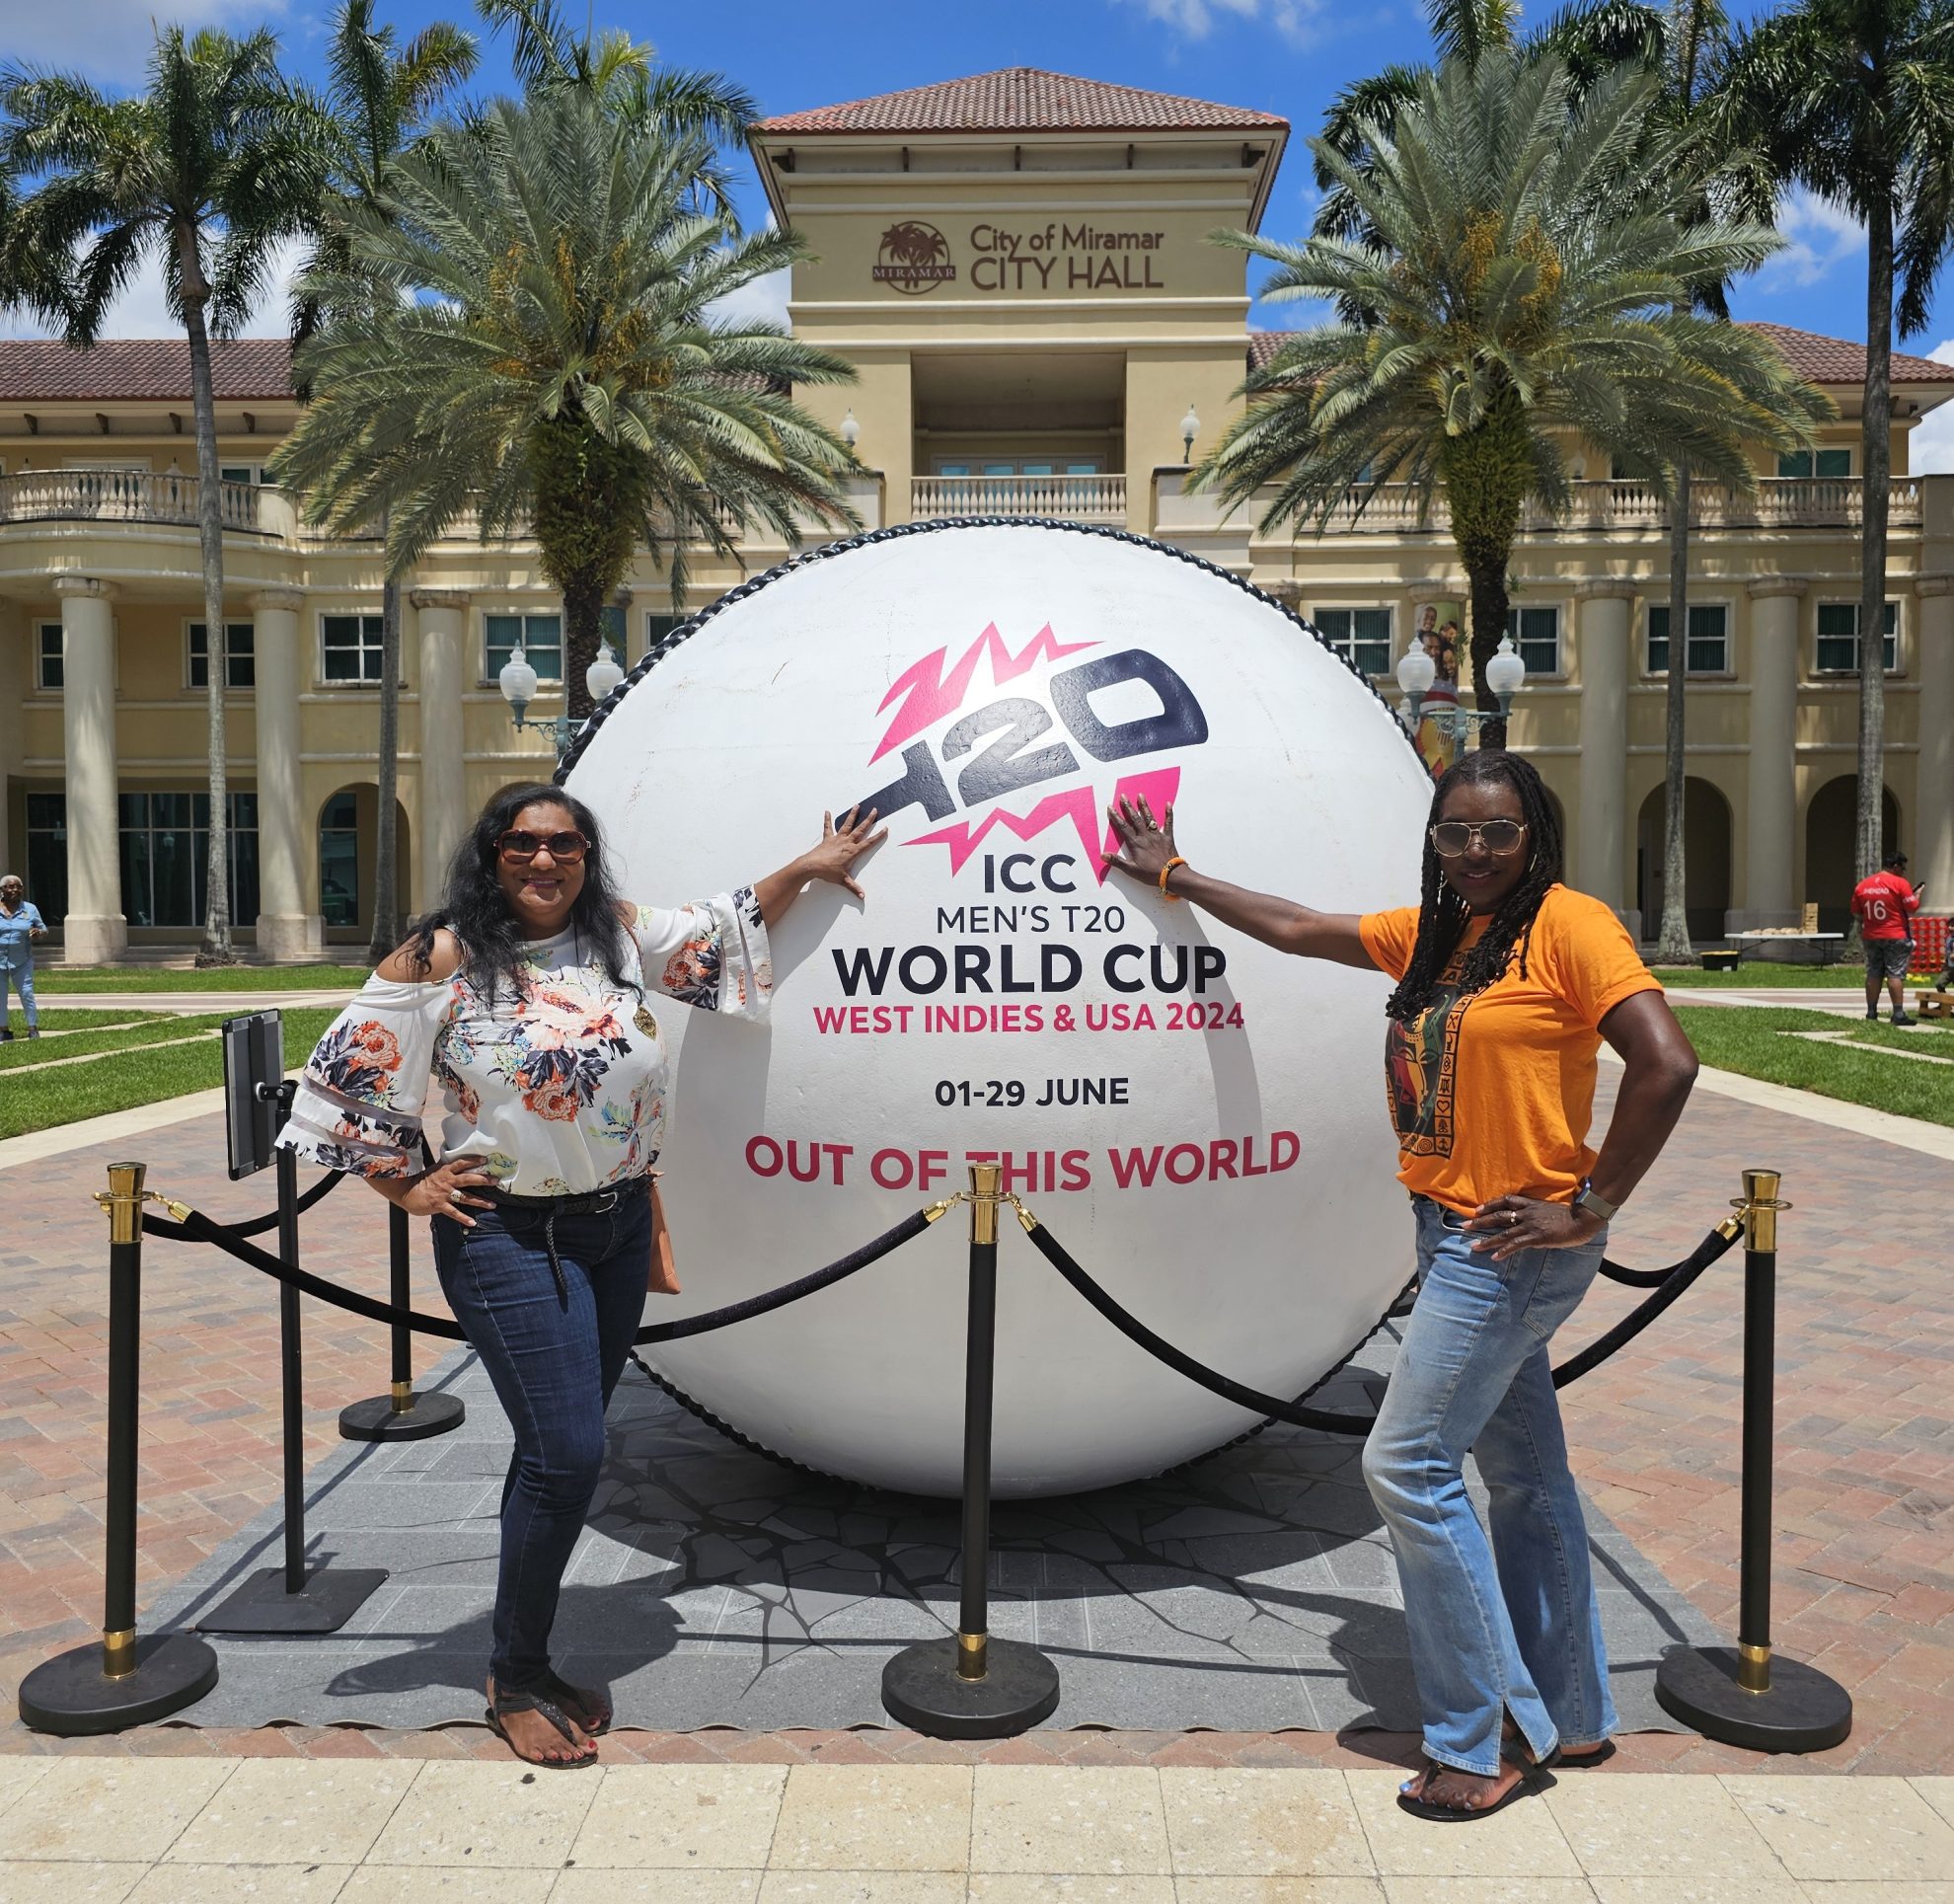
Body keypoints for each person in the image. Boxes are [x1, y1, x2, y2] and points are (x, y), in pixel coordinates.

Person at [1103, 750, 1699, 1820]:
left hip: (1507, 1243)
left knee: (1410, 1465)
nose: (1476, 853)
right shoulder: (1439, 933)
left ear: (1537, 835)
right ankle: (1572, 1708)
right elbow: (1295, 926)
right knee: (1525, 1478)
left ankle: (1483, 1740)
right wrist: (1176, 874)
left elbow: (1668, 1061)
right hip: (1451, 1231)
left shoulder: (1571, 925)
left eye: (1499, 832)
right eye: (1456, 832)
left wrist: (1592, 1206)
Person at [279, 784, 883, 1769]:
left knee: (562, 1454)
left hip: (615, 1229)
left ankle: (522, 1658)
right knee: (566, 1454)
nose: (545, 861)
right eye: (523, 844)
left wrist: (806, 870)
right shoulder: (443, 957)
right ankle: (514, 1674)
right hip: (505, 1237)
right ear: (492, 855)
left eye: (564, 844)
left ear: (586, 858)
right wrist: (407, 1186)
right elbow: (341, 1081)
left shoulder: (617, 938)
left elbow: (721, 932)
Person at [1851, 850, 1919, 1026]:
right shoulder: (1899, 883)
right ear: (1896, 866)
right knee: (1895, 973)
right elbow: (1912, 906)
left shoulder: (1863, 885)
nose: (1903, 871)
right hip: (1895, 934)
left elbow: (1856, 911)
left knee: (1874, 972)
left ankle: (1871, 1011)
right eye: (1902, 868)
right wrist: (1917, 895)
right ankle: (1898, 1014)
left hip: (1871, 935)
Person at [0, 874, 46, 1040]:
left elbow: (43, 929)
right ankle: (3, 1030)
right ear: (2, 890)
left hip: (22, 959)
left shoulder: (30, 909)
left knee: (27, 993)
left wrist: (38, 932)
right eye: (10, 887)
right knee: (0, 994)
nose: (14, 890)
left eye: (18, 887)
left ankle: (32, 1028)